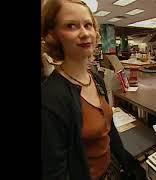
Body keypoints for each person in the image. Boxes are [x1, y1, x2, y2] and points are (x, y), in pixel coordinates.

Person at [41, 0, 143, 180]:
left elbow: (109, 131)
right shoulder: (50, 98)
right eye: (71, 26)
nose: (84, 33)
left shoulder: (95, 79)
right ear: (53, 35)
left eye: (88, 25)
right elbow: (55, 172)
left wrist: (127, 166)